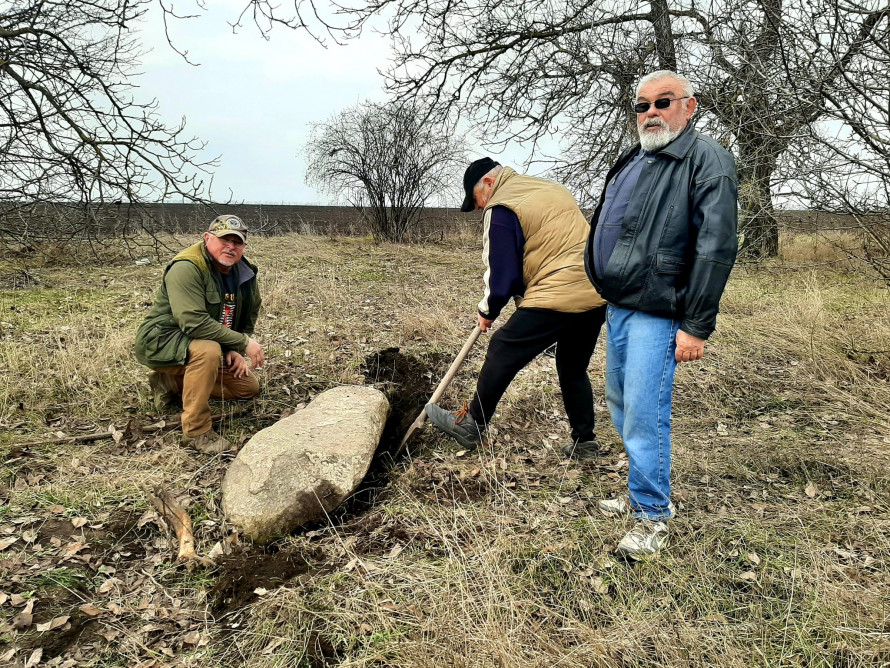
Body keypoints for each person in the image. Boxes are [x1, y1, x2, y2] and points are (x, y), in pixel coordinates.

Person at [585, 70, 739, 559]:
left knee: (644, 413)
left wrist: (696, 325)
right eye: (642, 105)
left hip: (659, 308)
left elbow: (716, 247)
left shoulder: (707, 159)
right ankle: (639, 492)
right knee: (621, 403)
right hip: (620, 305)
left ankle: (652, 514)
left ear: (689, 106)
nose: (651, 112)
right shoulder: (637, 156)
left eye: (663, 102)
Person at [425, 158, 607, 459]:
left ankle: (472, 424)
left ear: (488, 183)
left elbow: (504, 273)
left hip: (557, 293)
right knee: (573, 367)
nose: (479, 207)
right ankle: (585, 442)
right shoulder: (550, 189)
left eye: (476, 199)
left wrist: (488, 310)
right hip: (594, 293)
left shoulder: (502, 207)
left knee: (502, 347)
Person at [134, 214, 266, 453]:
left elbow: (250, 311)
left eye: (237, 242)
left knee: (247, 388)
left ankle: (171, 383)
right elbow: (193, 323)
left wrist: (233, 349)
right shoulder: (187, 267)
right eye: (224, 239)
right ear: (207, 238)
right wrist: (242, 342)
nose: (231, 246)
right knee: (208, 351)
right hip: (163, 340)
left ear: (244, 247)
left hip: (204, 341)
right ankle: (196, 432)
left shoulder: (245, 272)